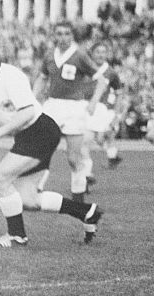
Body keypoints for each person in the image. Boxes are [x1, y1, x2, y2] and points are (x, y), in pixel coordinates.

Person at [0, 33, 103, 247]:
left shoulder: (11, 75)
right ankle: (87, 212)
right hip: (27, 136)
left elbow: (27, 113)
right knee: (28, 200)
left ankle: (17, 235)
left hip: (41, 130)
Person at [33, 21, 107, 201]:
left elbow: (101, 80)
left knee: (73, 157)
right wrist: (33, 99)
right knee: (41, 148)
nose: (63, 37)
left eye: (67, 33)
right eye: (59, 33)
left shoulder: (80, 55)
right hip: (53, 105)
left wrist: (93, 102)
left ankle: (78, 195)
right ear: (54, 36)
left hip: (74, 107)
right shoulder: (50, 55)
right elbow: (42, 79)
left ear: (72, 36)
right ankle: (36, 188)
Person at [88, 41, 124, 170]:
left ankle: (87, 172)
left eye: (103, 52)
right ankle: (112, 157)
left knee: (99, 137)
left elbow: (119, 93)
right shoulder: (87, 68)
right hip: (88, 107)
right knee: (96, 139)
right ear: (92, 53)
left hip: (103, 109)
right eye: (97, 52)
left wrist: (116, 112)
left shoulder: (111, 72)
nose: (100, 55)